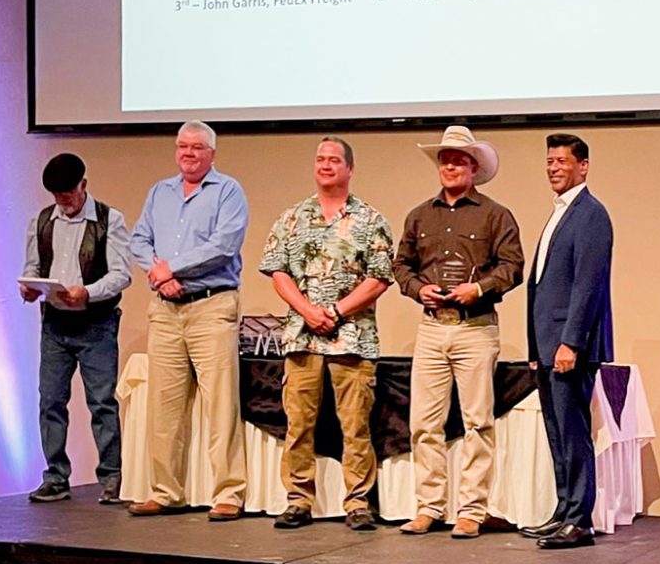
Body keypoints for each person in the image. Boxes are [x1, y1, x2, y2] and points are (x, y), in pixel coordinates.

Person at [394, 126, 524, 539]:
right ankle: (428, 506)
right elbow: (401, 266)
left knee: (477, 422)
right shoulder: (419, 215)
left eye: (458, 159)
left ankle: (472, 510)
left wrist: (479, 289)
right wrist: (418, 290)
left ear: (473, 166)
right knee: (424, 424)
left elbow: (513, 266)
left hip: (476, 328)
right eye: (444, 159)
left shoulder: (495, 214)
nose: (450, 165)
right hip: (432, 329)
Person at [259, 137, 394, 532]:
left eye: (334, 160)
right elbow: (277, 271)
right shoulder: (291, 217)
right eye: (320, 159)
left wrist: (335, 311)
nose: (326, 165)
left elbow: (380, 277)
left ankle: (357, 503)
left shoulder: (370, 219)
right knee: (298, 423)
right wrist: (307, 311)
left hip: (353, 338)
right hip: (302, 338)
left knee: (355, 425)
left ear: (349, 169)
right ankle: (298, 500)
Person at [128, 121, 249, 521]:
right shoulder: (159, 192)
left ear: (212, 153)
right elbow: (138, 240)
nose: (188, 154)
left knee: (220, 406)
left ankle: (229, 494)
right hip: (165, 312)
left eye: (196, 147)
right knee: (164, 407)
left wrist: (171, 269)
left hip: (211, 307)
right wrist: (159, 275)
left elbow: (224, 244)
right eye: (182, 146)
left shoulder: (228, 191)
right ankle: (165, 492)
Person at [20, 153, 132, 504]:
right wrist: (29, 288)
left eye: (68, 193)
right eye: (57, 196)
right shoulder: (41, 222)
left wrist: (88, 292)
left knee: (101, 402)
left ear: (84, 184)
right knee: (50, 400)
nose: (63, 201)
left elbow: (121, 274)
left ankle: (111, 477)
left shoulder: (108, 220)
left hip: (95, 323)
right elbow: (34, 267)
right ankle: (55, 476)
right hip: (55, 325)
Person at [524, 134, 613, 549]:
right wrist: (534, 349)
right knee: (557, 432)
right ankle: (563, 511)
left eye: (561, 161)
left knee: (573, 432)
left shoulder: (591, 214)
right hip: (547, 346)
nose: (554, 168)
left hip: (568, 347)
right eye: (549, 161)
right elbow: (540, 287)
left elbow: (587, 286)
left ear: (584, 166)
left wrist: (570, 343)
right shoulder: (560, 213)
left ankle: (579, 519)